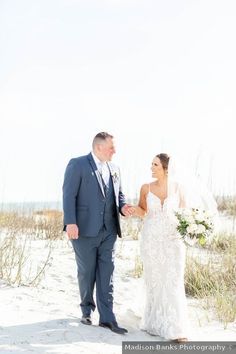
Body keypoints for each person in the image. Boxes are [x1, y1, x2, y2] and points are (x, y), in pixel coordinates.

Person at [62, 132, 132, 335]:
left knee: (107, 273)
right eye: (111, 147)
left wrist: (124, 206)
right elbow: (68, 195)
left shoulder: (115, 168)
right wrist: (70, 223)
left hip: (109, 230)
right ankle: (86, 310)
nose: (115, 151)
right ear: (99, 147)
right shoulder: (78, 164)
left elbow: (119, 195)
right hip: (83, 230)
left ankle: (107, 318)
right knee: (87, 273)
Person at [132, 153, 189, 342]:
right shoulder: (145, 188)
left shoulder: (179, 188)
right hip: (151, 242)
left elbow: (185, 216)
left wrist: (195, 226)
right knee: (155, 280)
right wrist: (132, 210)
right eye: (151, 164)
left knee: (172, 281)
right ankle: (153, 322)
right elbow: (143, 210)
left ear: (166, 168)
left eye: (155, 164)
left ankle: (175, 327)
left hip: (173, 241)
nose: (151, 167)